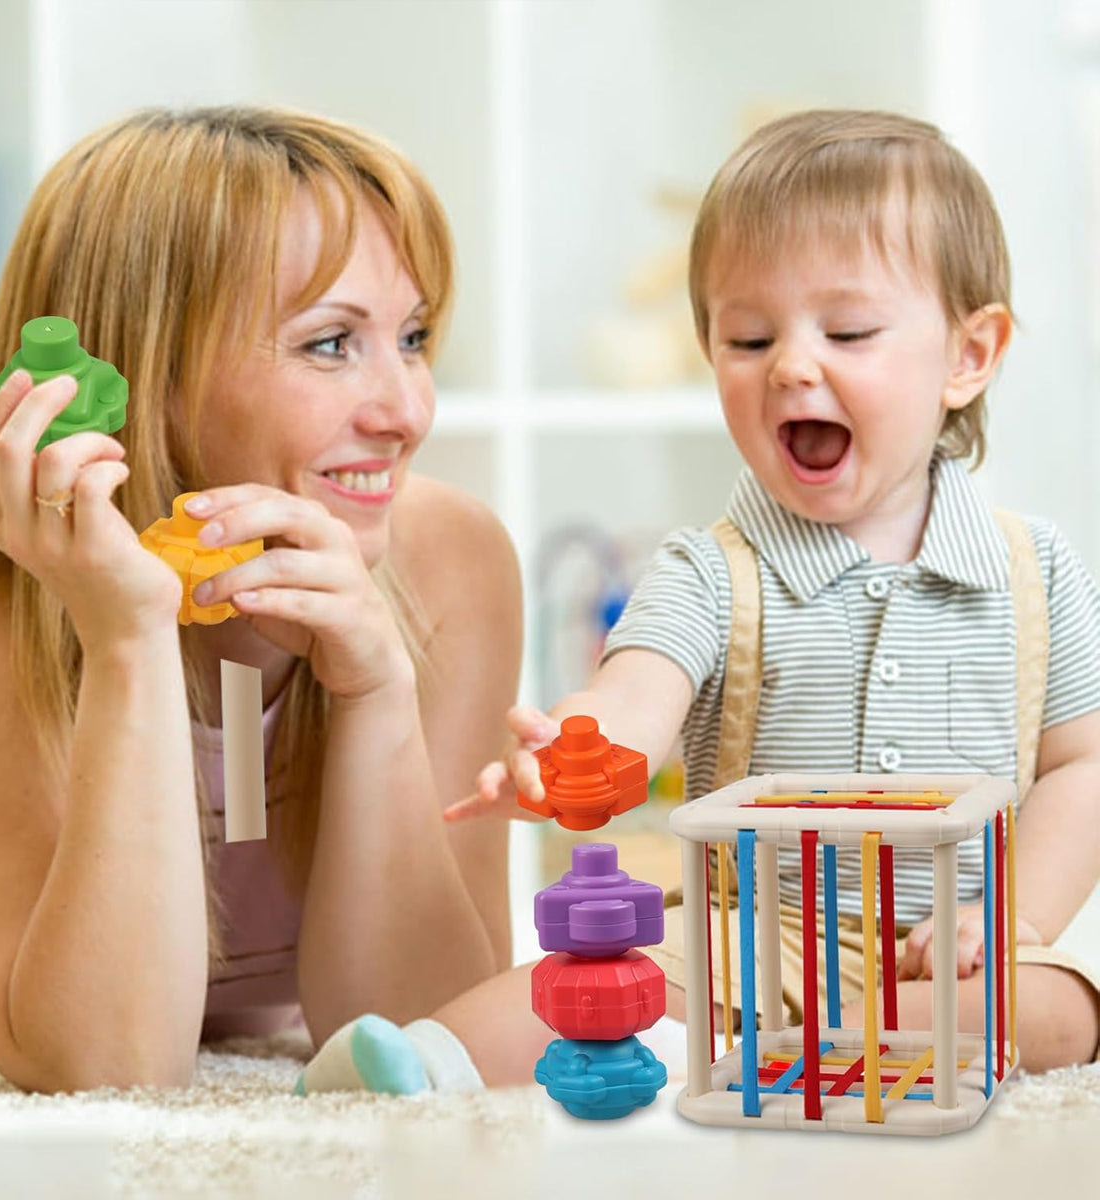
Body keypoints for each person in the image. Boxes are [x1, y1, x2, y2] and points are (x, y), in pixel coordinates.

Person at [294, 108, 1100, 1096]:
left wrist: (1013, 921)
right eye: (749, 337)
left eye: (847, 331)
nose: (793, 365)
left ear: (970, 356)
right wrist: (580, 756)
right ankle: (424, 1063)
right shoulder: (713, 571)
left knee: (1059, 1011)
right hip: (752, 937)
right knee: (595, 981)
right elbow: (638, 696)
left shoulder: (1037, 569)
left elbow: (1081, 767)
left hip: (962, 949)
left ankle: (801, 1059)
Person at [0, 106, 522, 1095]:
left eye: (411, 337)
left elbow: (422, 1040)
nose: (405, 412)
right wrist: (127, 637)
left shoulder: (451, 559)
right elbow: (105, 1071)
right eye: (329, 345)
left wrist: (373, 694)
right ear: (142, 374)